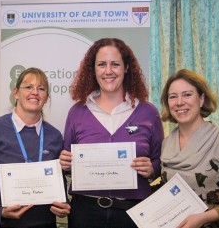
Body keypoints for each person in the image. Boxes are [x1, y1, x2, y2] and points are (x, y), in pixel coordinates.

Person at [59, 38, 164, 228]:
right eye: (101, 64)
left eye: (115, 64)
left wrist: (151, 169)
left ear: (126, 68)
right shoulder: (77, 112)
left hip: (133, 213)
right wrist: (65, 163)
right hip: (85, 213)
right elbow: (67, 162)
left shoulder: (148, 112)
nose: (108, 71)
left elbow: (160, 161)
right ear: (93, 69)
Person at [0, 67, 71, 228]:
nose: (35, 92)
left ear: (46, 98)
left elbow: (57, 181)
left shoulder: (54, 136)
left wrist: (63, 204)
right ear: (15, 93)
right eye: (28, 87)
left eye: (41, 89)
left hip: (43, 224)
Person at [160, 69, 219, 228]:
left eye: (187, 94)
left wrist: (204, 218)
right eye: (173, 96)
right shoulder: (166, 143)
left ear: (201, 99)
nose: (179, 102)